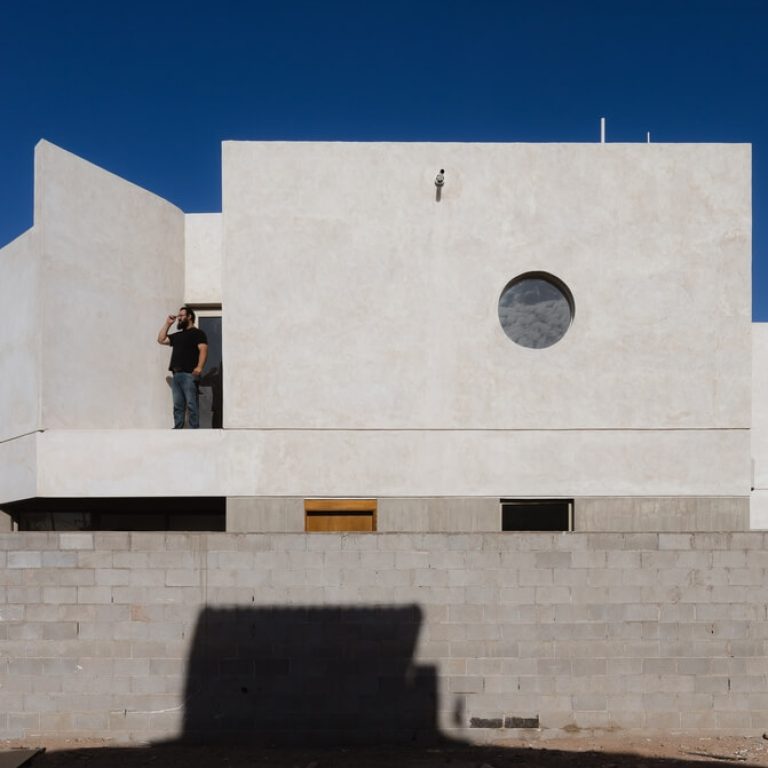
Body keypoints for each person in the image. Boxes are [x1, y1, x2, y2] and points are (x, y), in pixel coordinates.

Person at [157, 306, 208, 429]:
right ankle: (178, 428)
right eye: (178, 316)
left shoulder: (198, 333)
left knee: (191, 404)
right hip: (176, 375)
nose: (179, 318)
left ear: (189, 316)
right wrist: (168, 323)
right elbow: (161, 339)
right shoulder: (178, 336)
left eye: (181, 315)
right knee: (178, 405)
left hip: (189, 374)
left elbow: (203, 350)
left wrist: (199, 367)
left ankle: (194, 429)